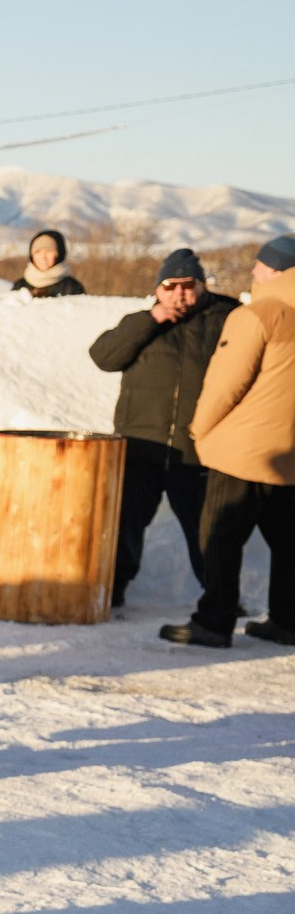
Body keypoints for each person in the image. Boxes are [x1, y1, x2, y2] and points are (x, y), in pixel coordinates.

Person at [89, 248, 240, 609]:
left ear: (202, 286)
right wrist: (151, 320)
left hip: (197, 450)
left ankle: (220, 601)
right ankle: (115, 591)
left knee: (206, 531)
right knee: (127, 525)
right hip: (143, 445)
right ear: (158, 289)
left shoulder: (226, 319)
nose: (179, 294)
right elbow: (103, 357)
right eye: (170, 286)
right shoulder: (142, 323)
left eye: (188, 285)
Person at [164, 237, 295, 648]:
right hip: (290, 454)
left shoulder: (258, 315)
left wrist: (200, 429)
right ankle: (288, 620)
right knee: (288, 541)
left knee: (219, 536)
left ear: (276, 271)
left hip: (245, 449)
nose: (254, 271)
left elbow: (226, 382)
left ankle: (213, 622)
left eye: (260, 265)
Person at [16, 229, 86, 298]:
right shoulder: (19, 286)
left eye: (48, 251)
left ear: (58, 255)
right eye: (38, 252)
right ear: (31, 255)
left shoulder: (72, 287)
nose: (43, 257)